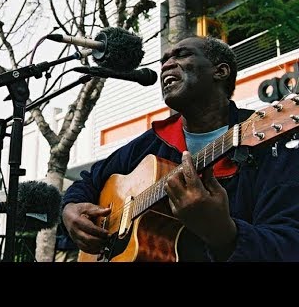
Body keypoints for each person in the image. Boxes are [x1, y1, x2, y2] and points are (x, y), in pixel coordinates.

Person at [62, 35, 299, 262]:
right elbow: (88, 182)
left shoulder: (269, 141)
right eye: (164, 60)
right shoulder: (151, 143)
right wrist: (70, 211)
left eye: (182, 55)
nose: (167, 65)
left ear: (221, 71)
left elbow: (289, 245)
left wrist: (225, 234)